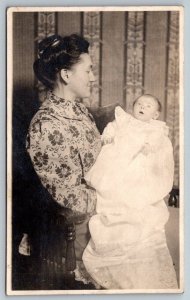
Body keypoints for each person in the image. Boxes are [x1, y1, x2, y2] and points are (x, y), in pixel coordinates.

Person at [26, 34, 102, 283]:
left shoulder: (79, 110)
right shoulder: (47, 124)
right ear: (66, 75)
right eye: (88, 70)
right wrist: (116, 201)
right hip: (78, 227)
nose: (93, 77)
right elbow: (67, 194)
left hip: (99, 212)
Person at [82, 94, 178, 289]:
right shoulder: (124, 121)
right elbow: (112, 129)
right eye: (139, 104)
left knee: (137, 186)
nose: (142, 106)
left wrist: (149, 146)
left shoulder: (155, 128)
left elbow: (159, 145)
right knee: (114, 181)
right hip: (119, 161)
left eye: (148, 105)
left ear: (156, 114)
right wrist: (108, 135)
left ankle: (132, 201)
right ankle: (117, 201)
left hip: (139, 164)